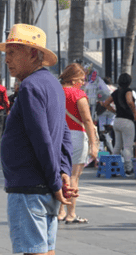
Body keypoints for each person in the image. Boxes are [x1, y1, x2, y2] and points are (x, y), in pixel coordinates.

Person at [0, 24, 75, 255]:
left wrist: (56, 181)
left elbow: (43, 138)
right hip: (43, 183)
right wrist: (65, 172)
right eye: (7, 51)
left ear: (35, 55)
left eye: (14, 51)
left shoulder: (29, 89)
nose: (8, 58)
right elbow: (64, 134)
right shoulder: (52, 85)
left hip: (31, 186)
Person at [57, 63, 98, 224]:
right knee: (73, 177)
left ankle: (60, 211)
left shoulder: (55, 93)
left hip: (58, 136)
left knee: (61, 175)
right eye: (81, 80)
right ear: (74, 80)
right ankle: (71, 213)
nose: (83, 83)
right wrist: (94, 144)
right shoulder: (78, 95)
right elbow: (87, 120)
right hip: (76, 136)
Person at [102, 73, 136, 175]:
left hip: (117, 121)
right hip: (127, 121)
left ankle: (113, 167)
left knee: (117, 146)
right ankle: (128, 168)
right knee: (127, 146)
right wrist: (134, 113)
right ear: (129, 82)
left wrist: (114, 111)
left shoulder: (116, 92)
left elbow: (106, 103)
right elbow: (130, 102)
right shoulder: (128, 91)